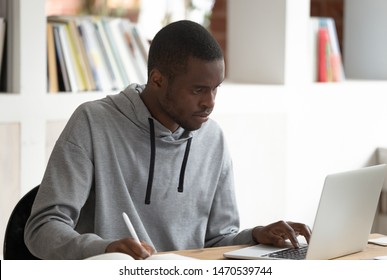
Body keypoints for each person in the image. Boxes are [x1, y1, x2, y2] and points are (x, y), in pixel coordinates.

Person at [24, 20, 311, 260]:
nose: (210, 103)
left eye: (216, 89)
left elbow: (217, 240)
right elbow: (42, 228)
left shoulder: (212, 138)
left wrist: (255, 236)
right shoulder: (93, 123)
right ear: (158, 80)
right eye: (198, 90)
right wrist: (106, 250)